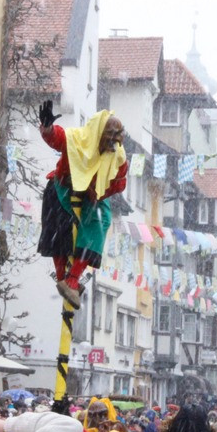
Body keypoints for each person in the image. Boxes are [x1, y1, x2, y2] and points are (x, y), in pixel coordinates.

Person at [36, 102, 127, 308]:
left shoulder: (118, 156)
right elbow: (58, 138)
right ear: (100, 133)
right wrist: (48, 128)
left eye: (118, 138)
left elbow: (120, 183)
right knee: (58, 228)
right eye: (111, 137)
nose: (115, 143)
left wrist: (99, 191)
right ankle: (63, 277)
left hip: (93, 196)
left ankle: (73, 279)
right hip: (64, 188)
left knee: (99, 223)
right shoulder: (79, 139)